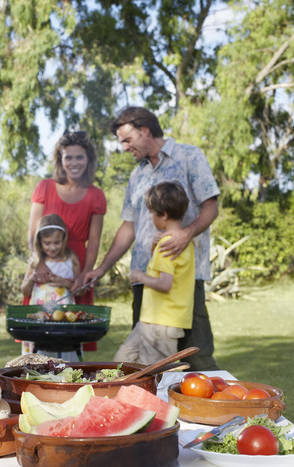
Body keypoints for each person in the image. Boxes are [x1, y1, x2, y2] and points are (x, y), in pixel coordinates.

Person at [83, 106, 220, 371]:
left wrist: (185, 234)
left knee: (197, 358)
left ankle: (214, 411)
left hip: (182, 281)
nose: (124, 147)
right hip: (146, 282)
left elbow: (211, 206)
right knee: (143, 366)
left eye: (127, 139)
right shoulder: (137, 176)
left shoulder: (190, 156)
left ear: (145, 130)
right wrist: (101, 268)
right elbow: (128, 227)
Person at [114, 181, 194, 364]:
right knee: (123, 360)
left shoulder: (168, 244)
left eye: (151, 212)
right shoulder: (178, 241)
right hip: (151, 320)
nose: (150, 217)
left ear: (164, 215)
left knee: (155, 376)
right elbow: (161, 268)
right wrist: (153, 246)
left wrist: (139, 276)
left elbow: (165, 284)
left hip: (161, 324)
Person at [27, 131, 106, 306]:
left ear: (88, 159)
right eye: (68, 158)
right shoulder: (44, 187)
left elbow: (93, 242)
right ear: (60, 160)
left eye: (79, 157)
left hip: (76, 267)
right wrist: (38, 262)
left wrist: (84, 275)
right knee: (38, 322)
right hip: (44, 263)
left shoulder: (96, 195)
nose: (74, 163)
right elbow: (33, 232)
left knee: (74, 323)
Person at [21, 214, 81, 307]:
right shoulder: (35, 262)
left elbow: (81, 291)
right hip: (39, 315)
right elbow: (25, 293)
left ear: (63, 239)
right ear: (40, 241)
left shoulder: (71, 259)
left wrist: (66, 284)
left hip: (63, 315)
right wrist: (31, 279)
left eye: (57, 242)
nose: (52, 248)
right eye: (47, 243)